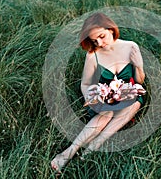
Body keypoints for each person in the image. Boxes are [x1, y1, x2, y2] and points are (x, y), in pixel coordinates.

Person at [51, 12, 146, 174]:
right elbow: (86, 83)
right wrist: (91, 96)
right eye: (95, 40)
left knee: (136, 101)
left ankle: (96, 145)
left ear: (111, 29)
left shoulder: (131, 46)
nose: (99, 43)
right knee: (107, 113)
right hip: (103, 97)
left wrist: (138, 66)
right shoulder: (92, 55)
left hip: (127, 94)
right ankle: (68, 153)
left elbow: (140, 81)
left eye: (102, 36)